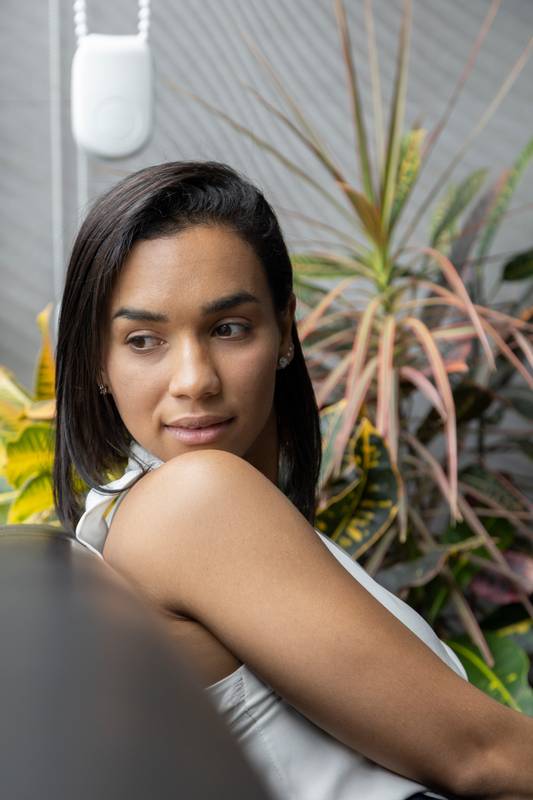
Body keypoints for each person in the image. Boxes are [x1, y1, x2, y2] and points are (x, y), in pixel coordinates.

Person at [53, 161, 533, 800]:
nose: (195, 379)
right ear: (98, 364)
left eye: (228, 328)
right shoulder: (192, 501)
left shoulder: (165, 512)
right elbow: (482, 756)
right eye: (144, 340)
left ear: (284, 331)